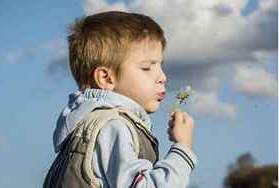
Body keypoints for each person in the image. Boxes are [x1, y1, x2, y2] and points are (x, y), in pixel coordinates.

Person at [44, 11, 197, 188]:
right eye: (147, 67)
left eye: (160, 66)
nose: (162, 77)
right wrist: (182, 148)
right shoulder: (113, 127)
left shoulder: (82, 127)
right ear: (106, 78)